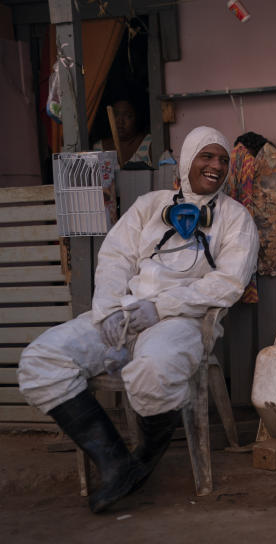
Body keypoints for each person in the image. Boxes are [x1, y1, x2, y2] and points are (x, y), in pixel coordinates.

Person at [18, 126, 258, 513]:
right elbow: (115, 257)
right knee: (42, 358)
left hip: (180, 320)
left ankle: (145, 454)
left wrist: (161, 308)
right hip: (125, 312)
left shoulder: (235, 219)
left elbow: (227, 283)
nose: (216, 165)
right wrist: (110, 309)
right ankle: (114, 460)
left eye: (223, 160)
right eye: (207, 156)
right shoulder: (150, 206)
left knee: (155, 368)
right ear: (186, 161)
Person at [94, 99, 152, 166]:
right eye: (115, 115)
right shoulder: (98, 148)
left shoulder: (149, 144)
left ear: (137, 117)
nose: (120, 121)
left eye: (128, 116)